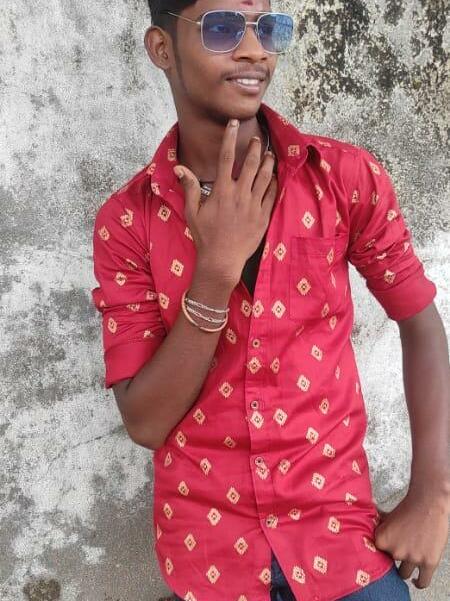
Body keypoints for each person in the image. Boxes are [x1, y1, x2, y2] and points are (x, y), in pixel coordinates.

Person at [90, 1, 450, 600]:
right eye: (223, 28)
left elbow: (421, 323)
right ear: (161, 48)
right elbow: (146, 422)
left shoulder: (342, 178)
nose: (255, 49)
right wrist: (215, 274)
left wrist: (433, 495)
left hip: (342, 545)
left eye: (268, 27)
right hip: (211, 558)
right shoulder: (129, 221)